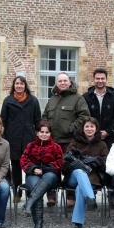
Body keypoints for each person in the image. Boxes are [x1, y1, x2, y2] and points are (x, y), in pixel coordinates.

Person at [42, 72, 90, 207]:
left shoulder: (77, 98)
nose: (62, 83)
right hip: (52, 141)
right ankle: (51, 196)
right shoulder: (52, 99)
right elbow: (45, 115)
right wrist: (46, 129)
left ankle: (71, 196)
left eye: (65, 81)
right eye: (60, 81)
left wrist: (70, 128)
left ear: (70, 82)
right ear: (56, 83)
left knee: (70, 168)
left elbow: (84, 116)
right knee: (51, 168)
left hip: (69, 141)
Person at [61, 117, 109, 228]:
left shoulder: (102, 144)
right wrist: (78, 161)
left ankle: (78, 222)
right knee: (80, 172)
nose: (89, 129)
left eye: (92, 126)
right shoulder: (75, 141)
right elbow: (65, 162)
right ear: (82, 128)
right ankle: (91, 198)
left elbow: (106, 164)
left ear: (96, 129)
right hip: (74, 175)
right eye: (87, 126)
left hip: (92, 178)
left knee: (80, 189)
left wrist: (95, 160)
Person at [0, 76, 41, 204]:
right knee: (16, 167)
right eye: (17, 83)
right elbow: (3, 120)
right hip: (13, 139)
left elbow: (38, 120)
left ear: (25, 85)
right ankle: (17, 192)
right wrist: (4, 137)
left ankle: (30, 192)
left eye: (22, 84)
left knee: (29, 167)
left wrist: (37, 136)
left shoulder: (33, 101)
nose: (19, 86)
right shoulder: (8, 101)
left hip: (29, 139)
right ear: (14, 85)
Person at [20, 120, 63, 228]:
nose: (44, 134)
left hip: (51, 177)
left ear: (50, 133)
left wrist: (44, 170)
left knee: (48, 177)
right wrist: (33, 169)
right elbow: (23, 160)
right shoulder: (31, 146)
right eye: (41, 132)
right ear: (37, 133)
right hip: (33, 175)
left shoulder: (56, 147)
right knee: (36, 187)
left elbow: (59, 164)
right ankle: (38, 223)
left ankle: (29, 203)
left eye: (47, 132)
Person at [83, 68, 114, 150]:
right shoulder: (86, 97)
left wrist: (108, 131)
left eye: (102, 78)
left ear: (106, 79)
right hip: (90, 136)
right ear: (94, 80)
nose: (100, 81)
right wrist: (93, 131)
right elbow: (84, 116)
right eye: (97, 78)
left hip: (109, 136)